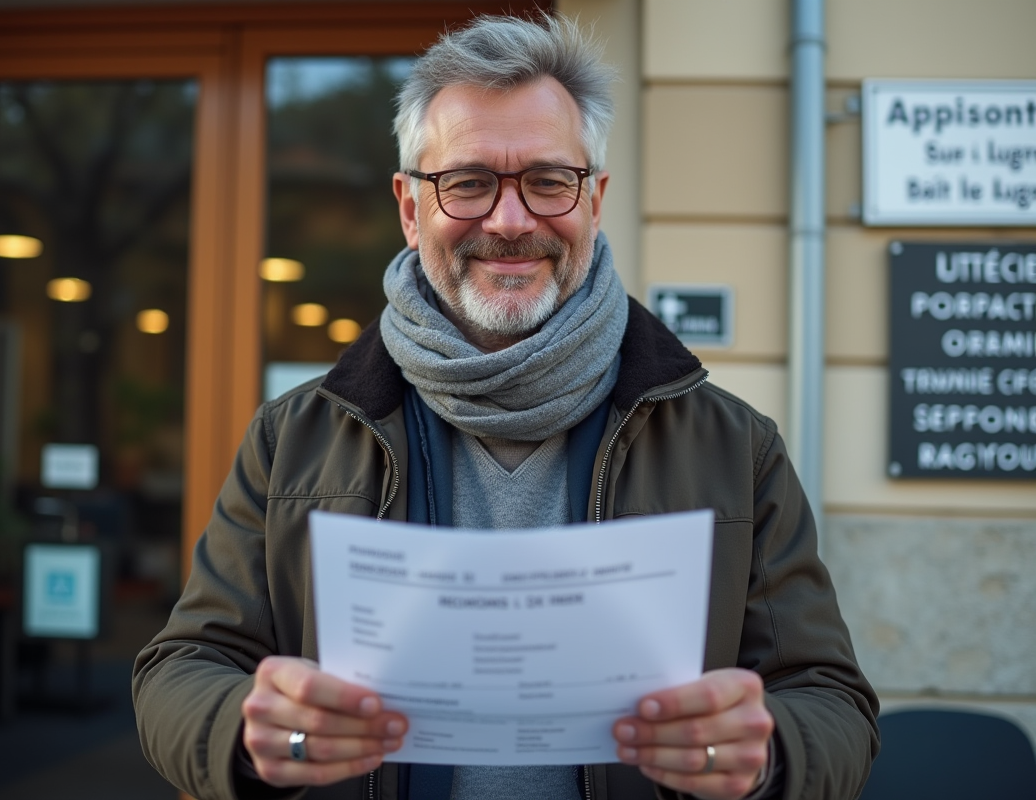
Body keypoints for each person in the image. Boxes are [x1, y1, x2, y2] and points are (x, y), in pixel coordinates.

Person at [133, 13, 879, 800]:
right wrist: (246, 729)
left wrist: (768, 758)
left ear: (594, 198)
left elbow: (833, 703)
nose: (511, 221)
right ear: (411, 207)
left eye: (549, 180)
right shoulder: (292, 440)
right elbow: (177, 672)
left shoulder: (735, 446)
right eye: (468, 182)